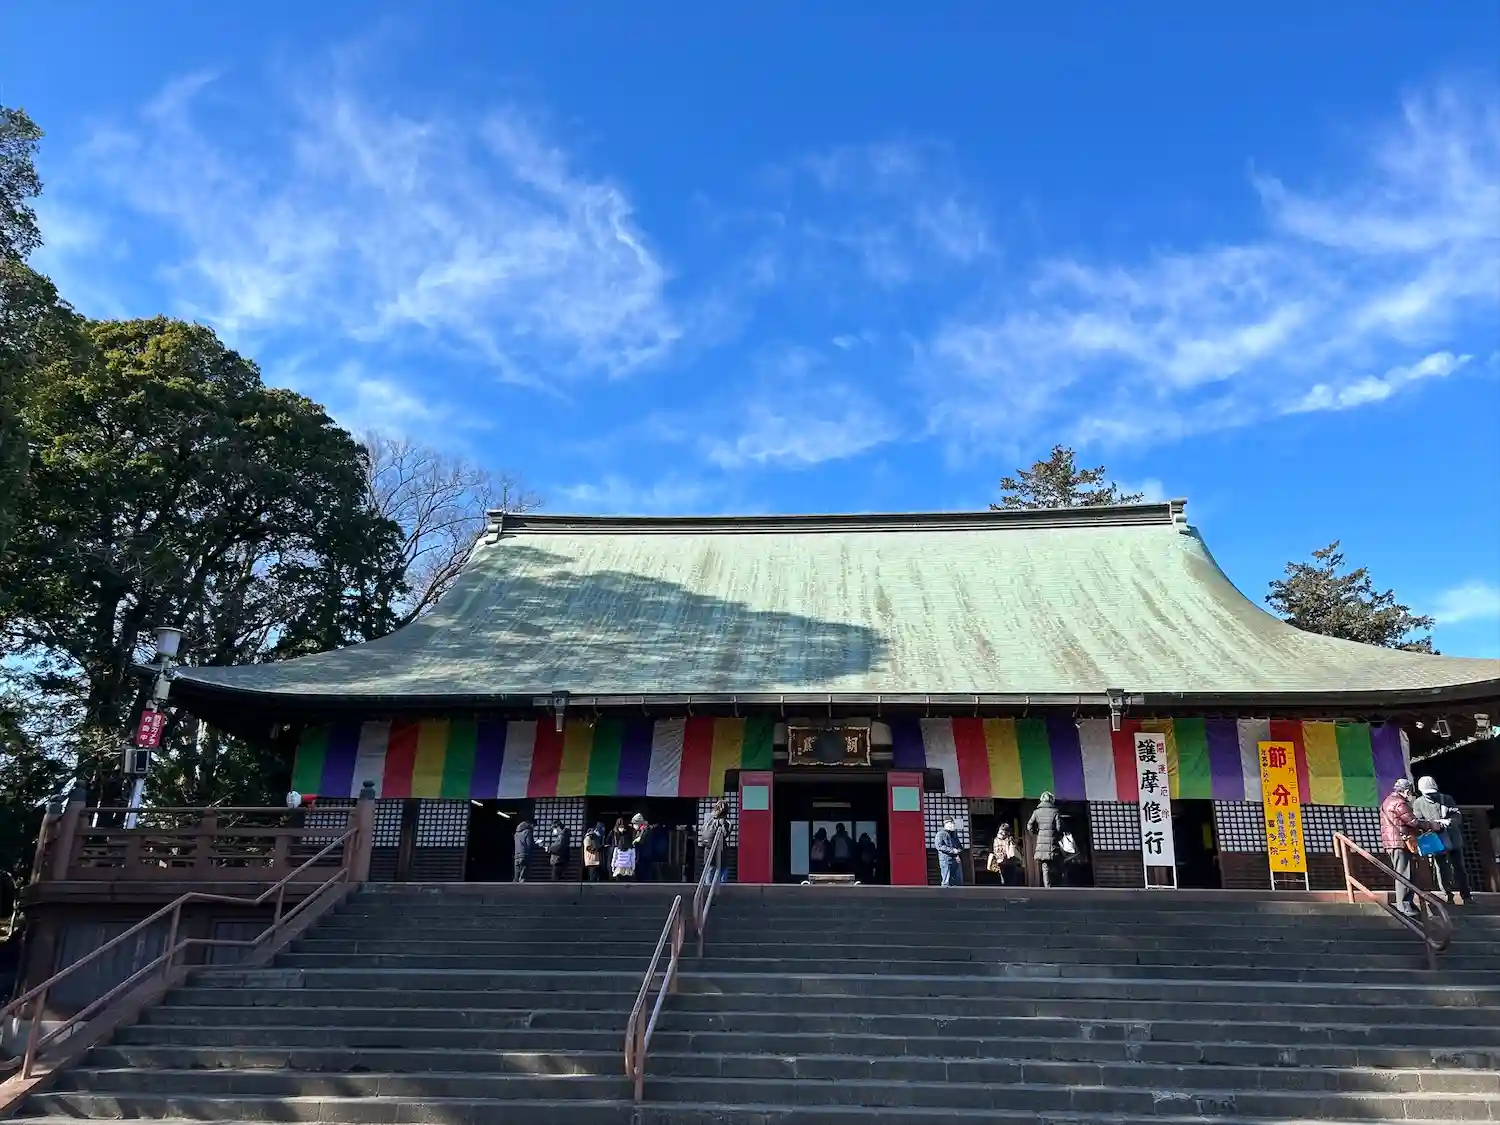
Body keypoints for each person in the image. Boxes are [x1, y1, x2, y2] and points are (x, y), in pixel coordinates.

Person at [1380, 778, 1445, 918]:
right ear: (1406, 791)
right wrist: (1432, 825)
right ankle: (1404, 906)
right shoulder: (1399, 803)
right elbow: (1413, 822)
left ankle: (1406, 904)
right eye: (1410, 792)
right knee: (1405, 874)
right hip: (1400, 842)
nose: (1410, 795)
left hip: (1393, 842)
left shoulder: (1388, 801)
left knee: (1403, 873)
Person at [1413, 776, 1471, 907]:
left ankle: (1466, 895)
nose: (1431, 795)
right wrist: (1431, 824)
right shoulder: (1418, 803)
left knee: (1459, 868)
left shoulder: (1447, 799)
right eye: (1427, 793)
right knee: (1442, 868)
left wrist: (1449, 821)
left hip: (1453, 837)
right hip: (1435, 839)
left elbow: (1457, 815)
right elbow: (1418, 821)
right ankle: (1447, 895)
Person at [1027, 793, 1065, 888]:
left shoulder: (1036, 812)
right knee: (1058, 861)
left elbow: (1029, 825)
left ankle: (1047, 887)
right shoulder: (1055, 811)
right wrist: (1058, 835)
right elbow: (1059, 828)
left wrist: (1035, 833)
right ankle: (1059, 883)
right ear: (1051, 800)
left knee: (1045, 866)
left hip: (1041, 842)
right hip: (1053, 841)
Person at [700, 801, 730, 878]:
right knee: (722, 873)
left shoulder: (708, 821)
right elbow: (725, 834)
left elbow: (702, 834)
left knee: (709, 872)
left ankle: (707, 885)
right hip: (720, 853)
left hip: (708, 852)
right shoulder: (723, 822)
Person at [934, 819, 964, 887]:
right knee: (946, 880)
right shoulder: (940, 833)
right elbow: (939, 846)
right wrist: (952, 850)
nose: (953, 825)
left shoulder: (954, 834)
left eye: (953, 824)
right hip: (946, 859)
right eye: (951, 824)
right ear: (946, 824)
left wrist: (958, 851)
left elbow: (959, 845)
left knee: (957, 880)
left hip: (955, 858)